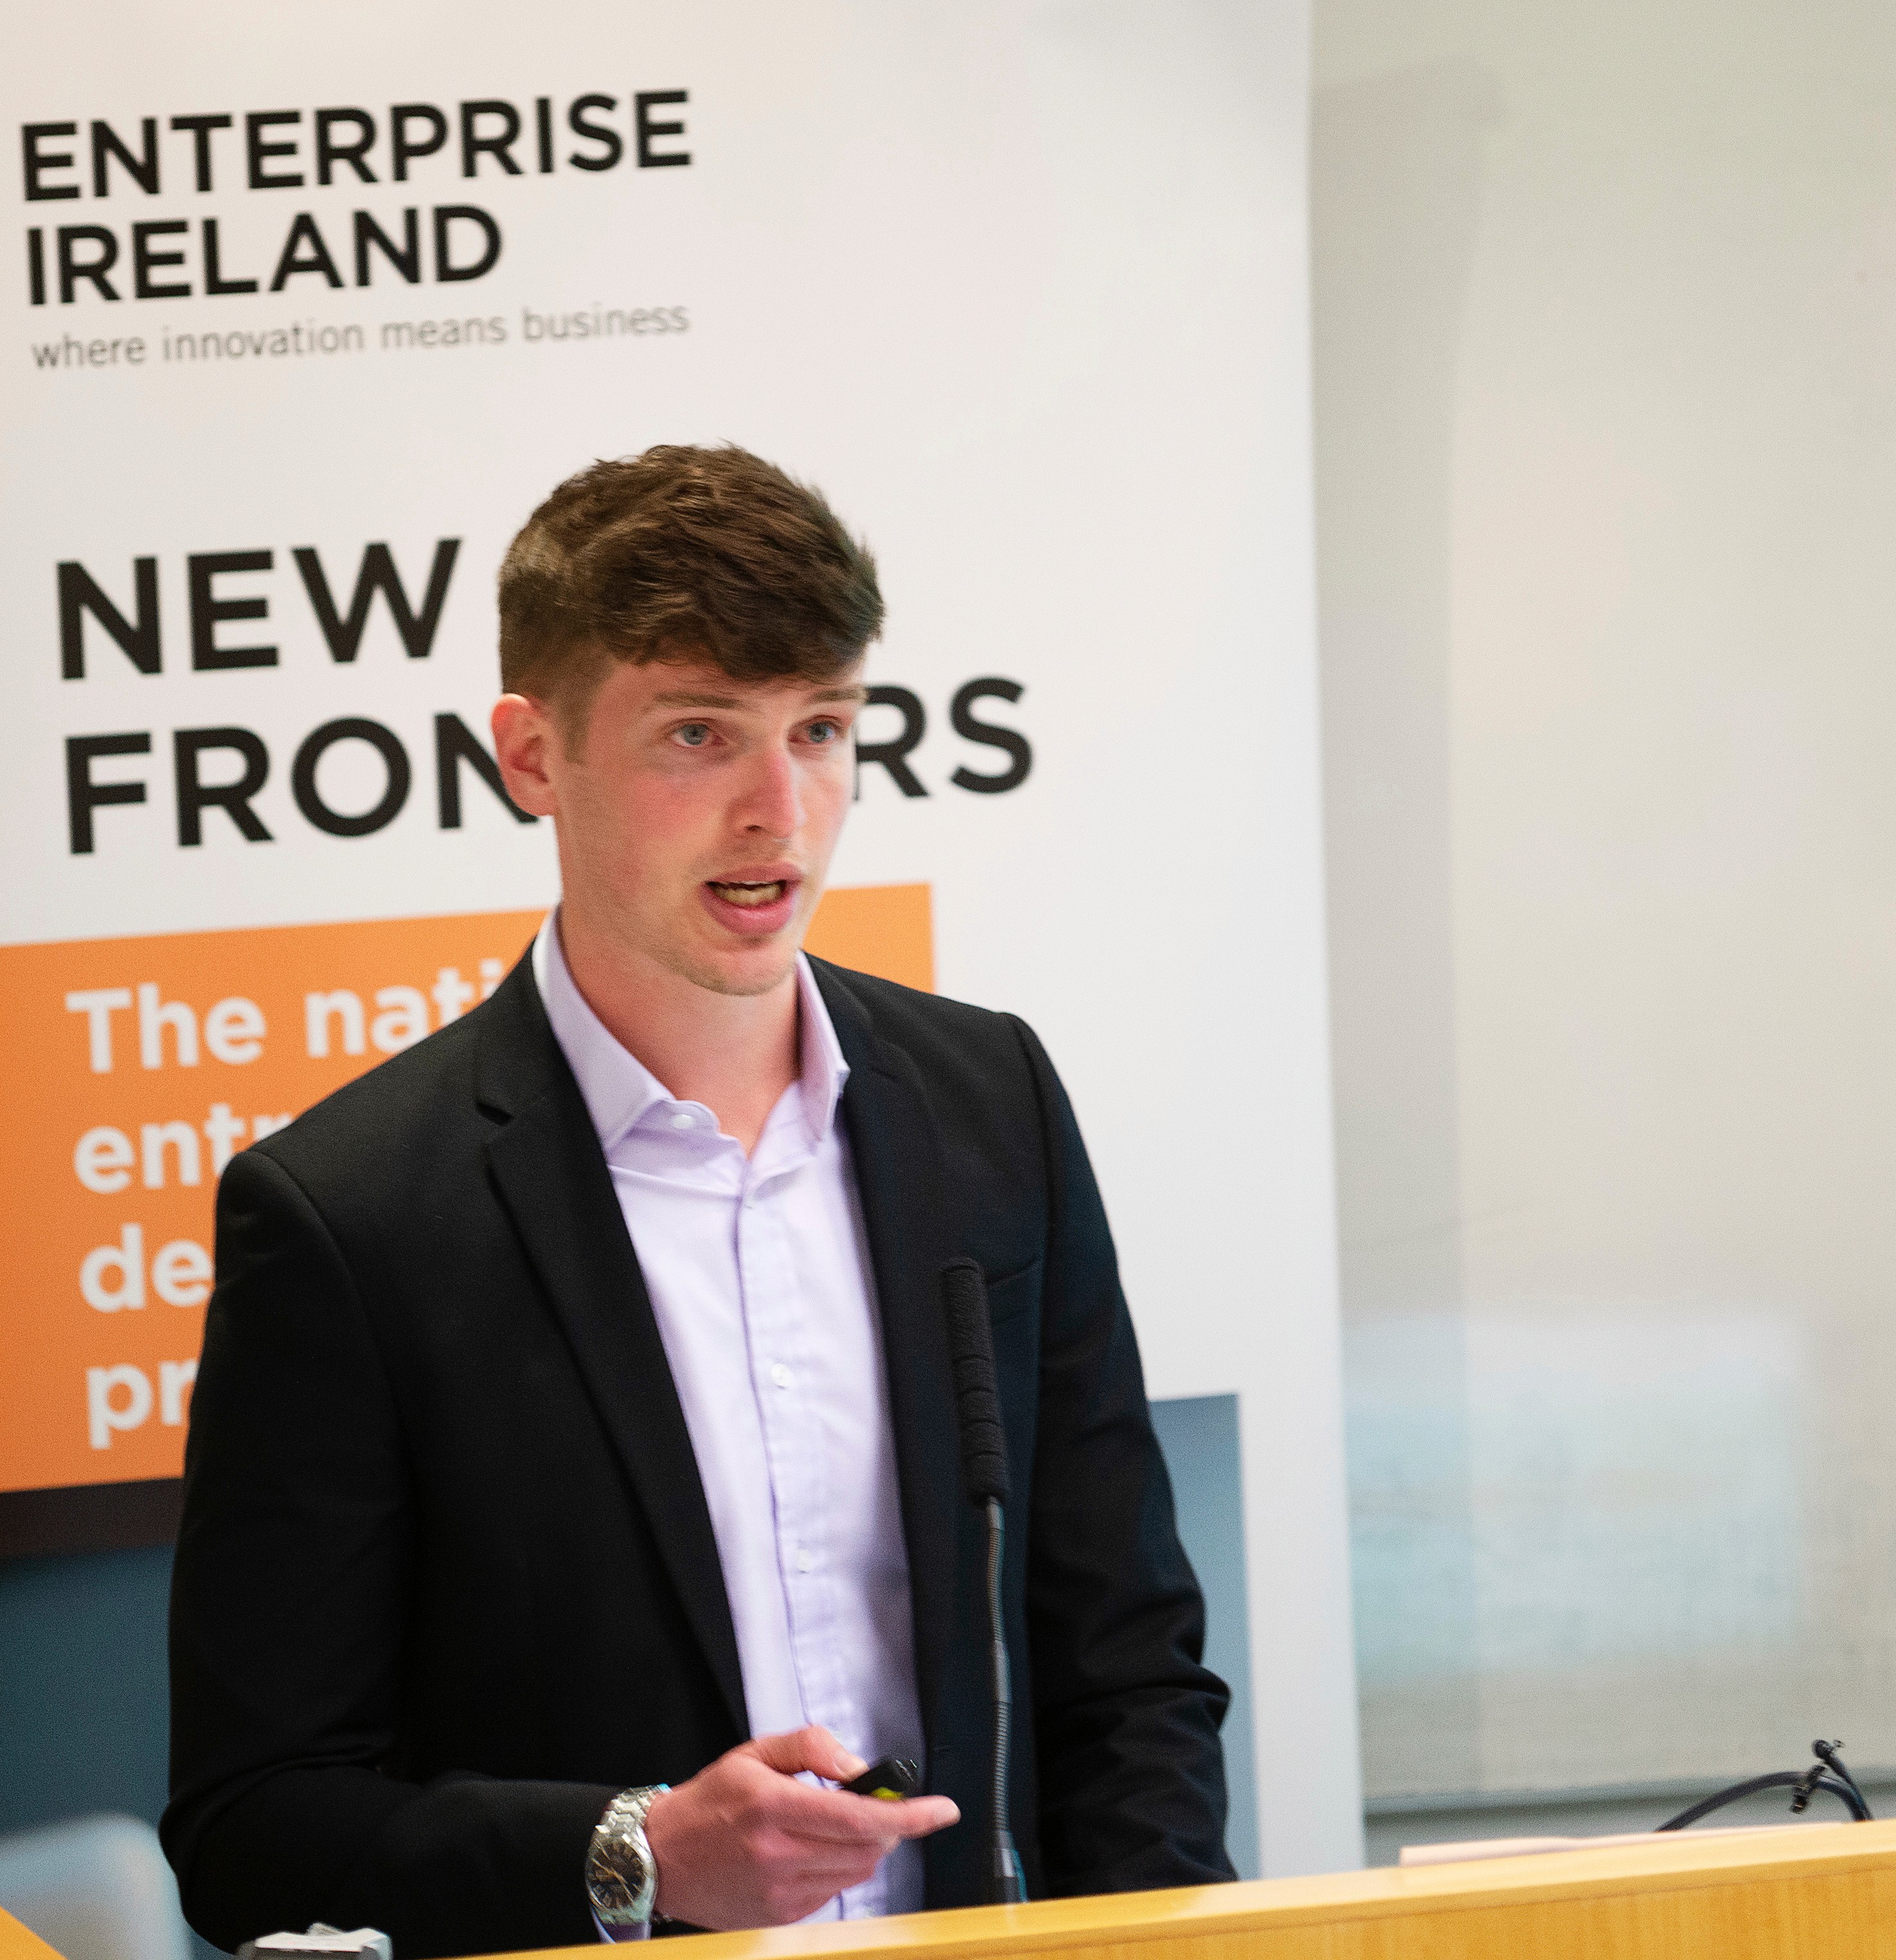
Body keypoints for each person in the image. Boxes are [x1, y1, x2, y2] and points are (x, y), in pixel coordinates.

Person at [162, 445, 1231, 1959]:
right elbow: (250, 1825)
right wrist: (632, 1855)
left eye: (820, 729)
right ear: (532, 756)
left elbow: (1126, 1671)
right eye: (697, 733)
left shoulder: (989, 1106)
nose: (775, 811)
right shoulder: (347, 1215)